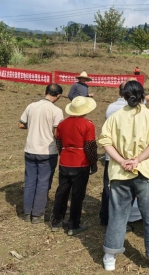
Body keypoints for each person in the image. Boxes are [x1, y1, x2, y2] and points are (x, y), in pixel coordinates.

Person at [98, 80, 149, 272]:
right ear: (143, 95)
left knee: (118, 215)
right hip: (147, 172)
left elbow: (105, 141)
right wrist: (138, 160)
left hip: (120, 173)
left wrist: (121, 161)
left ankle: (110, 256)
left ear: (123, 95)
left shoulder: (115, 116)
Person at [99, 79, 149, 231]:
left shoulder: (111, 109)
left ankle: (106, 216)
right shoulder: (145, 110)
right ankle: (131, 216)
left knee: (110, 188)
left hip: (113, 157)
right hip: (136, 159)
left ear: (121, 93)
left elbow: (106, 138)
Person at [18, 84, 64, 224]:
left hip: (30, 149)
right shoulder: (56, 111)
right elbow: (57, 133)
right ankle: (37, 215)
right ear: (58, 96)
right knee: (43, 183)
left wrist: (32, 125)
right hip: (47, 152)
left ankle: (27, 213)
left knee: (30, 181)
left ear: (45, 92)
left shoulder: (31, 106)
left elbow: (21, 124)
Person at [52, 96, 98, 235]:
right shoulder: (88, 125)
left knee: (62, 191)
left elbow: (58, 142)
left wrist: (64, 153)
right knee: (77, 194)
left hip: (65, 160)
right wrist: (93, 163)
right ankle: (73, 224)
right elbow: (90, 146)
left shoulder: (62, 124)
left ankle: (56, 221)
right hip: (80, 162)